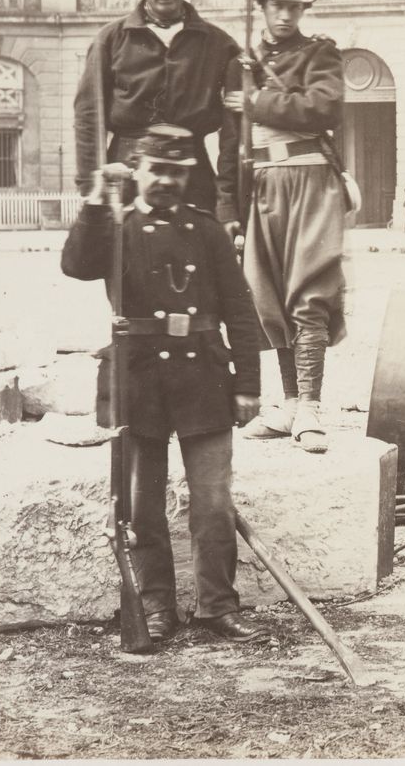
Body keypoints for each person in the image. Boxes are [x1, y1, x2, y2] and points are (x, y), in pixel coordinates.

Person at [60, 126, 266, 644]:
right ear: (138, 173)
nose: (167, 181)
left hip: (204, 378)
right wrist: (95, 198)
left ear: (187, 176)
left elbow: (240, 310)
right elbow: (76, 265)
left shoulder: (207, 231)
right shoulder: (116, 226)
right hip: (139, 380)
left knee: (213, 502)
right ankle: (155, 607)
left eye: (177, 172)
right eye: (157, 170)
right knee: (141, 505)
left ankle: (217, 607)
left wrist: (248, 385)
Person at [225, 0, 346, 456]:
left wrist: (256, 101)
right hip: (263, 184)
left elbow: (323, 108)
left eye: (294, 7)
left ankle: (313, 407)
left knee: (308, 289)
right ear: (263, 7)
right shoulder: (243, 62)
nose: (285, 16)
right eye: (277, 6)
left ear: (303, 9)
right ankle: (291, 404)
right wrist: (229, 208)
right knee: (268, 293)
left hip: (312, 180)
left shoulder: (321, 53)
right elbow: (234, 144)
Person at [74, 0, 241, 218]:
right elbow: (88, 118)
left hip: (191, 172)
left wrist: (226, 200)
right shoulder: (111, 39)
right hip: (126, 173)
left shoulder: (219, 44)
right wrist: (92, 186)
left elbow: (233, 132)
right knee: (124, 254)